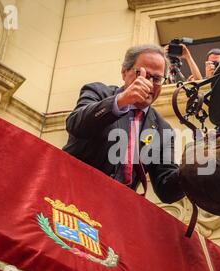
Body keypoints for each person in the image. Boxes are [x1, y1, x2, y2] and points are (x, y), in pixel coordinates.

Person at [62, 44, 185, 204]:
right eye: (142, 74)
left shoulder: (163, 130)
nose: (149, 83)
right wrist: (121, 101)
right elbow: (76, 124)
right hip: (71, 194)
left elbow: (166, 191)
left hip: (115, 209)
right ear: (124, 72)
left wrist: (194, 169)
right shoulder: (99, 92)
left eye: (156, 79)